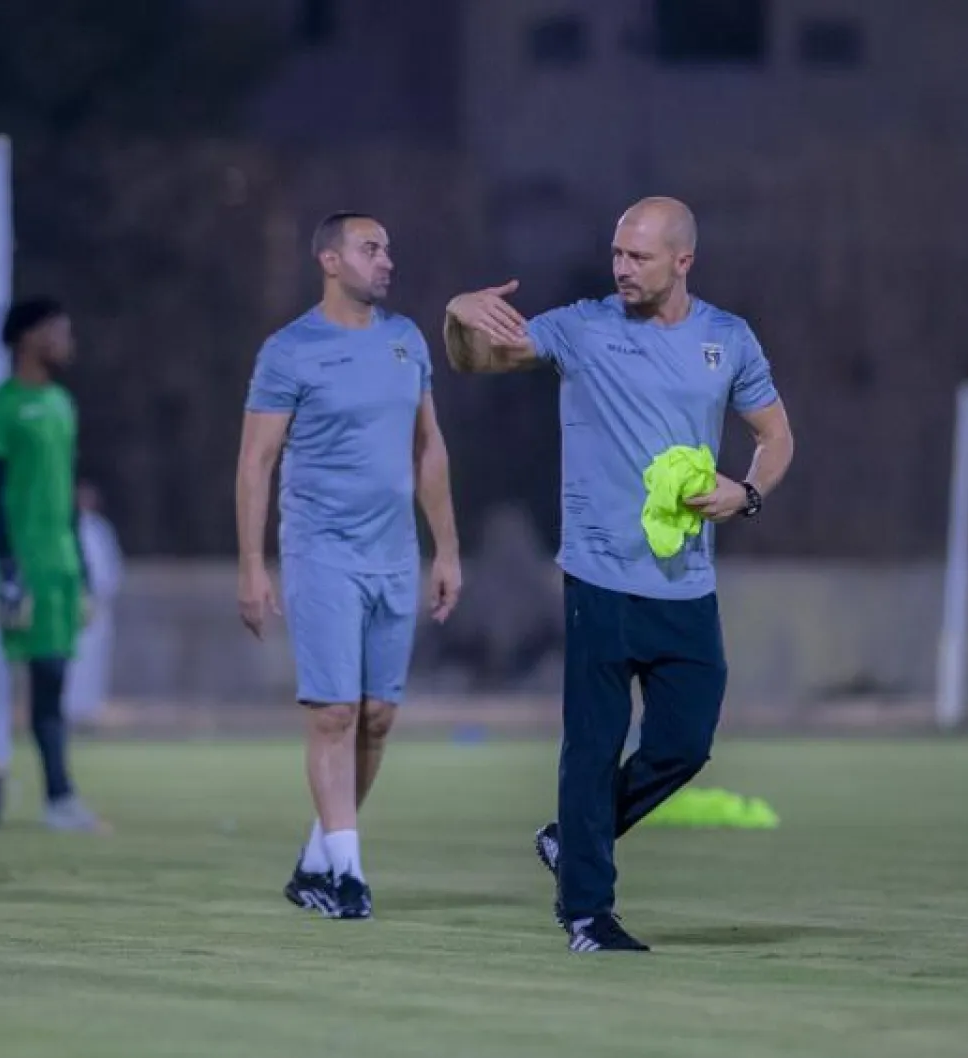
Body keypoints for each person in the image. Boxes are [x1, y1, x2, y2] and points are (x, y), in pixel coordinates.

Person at [442, 197, 795, 952]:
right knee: (593, 743)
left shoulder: (726, 339)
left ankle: (570, 838)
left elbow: (775, 434)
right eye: (616, 254)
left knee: (685, 744)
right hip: (599, 577)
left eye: (637, 257)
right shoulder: (582, 328)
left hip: (687, 583)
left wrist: (748, 491)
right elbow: (476, 359)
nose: (620, 268)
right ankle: (587, 914)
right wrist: (456, 315)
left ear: (683, 261)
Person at [237, 211, 463, 920]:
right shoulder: (290, 350)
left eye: (388, 249)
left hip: (393, 554)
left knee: (377, 719)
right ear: (330, 261)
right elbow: (256, 462)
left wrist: (446, 549)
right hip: (321, 551)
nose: (386, 261)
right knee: (333, 712)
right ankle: (348, 875)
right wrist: (251, 563)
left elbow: (429, 448)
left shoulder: (406, 341)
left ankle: (317, 860)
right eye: (371, 249)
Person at [0, 298, 105, 832]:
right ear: (28, 338)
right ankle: (31, 793)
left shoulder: (61, 404)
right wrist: (7, 564)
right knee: (15, 677)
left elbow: (69, 493)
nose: (66, 340)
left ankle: (53, 795)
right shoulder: (0, 408)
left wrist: (86, 571)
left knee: (54, 678)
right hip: (21, 563)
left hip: (62, 563)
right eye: (58, 330)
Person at [63, 482, 124, 727]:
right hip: (70, 608)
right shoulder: (68, 529)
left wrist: (100, 596)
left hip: (97, 609)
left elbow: (112, 570)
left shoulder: (101, 530)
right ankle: (68, 710)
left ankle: (89, 710)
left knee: (93, 661)